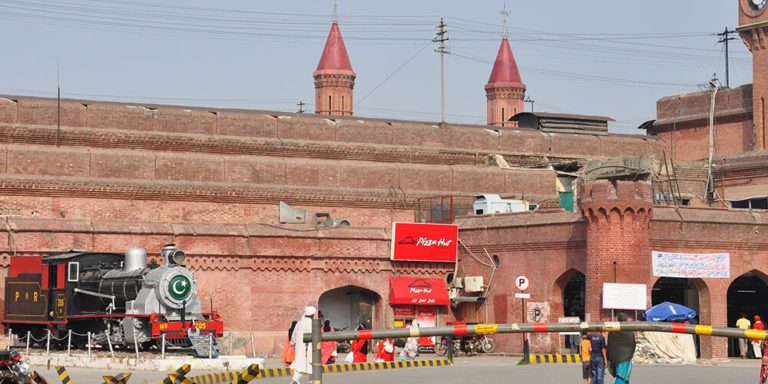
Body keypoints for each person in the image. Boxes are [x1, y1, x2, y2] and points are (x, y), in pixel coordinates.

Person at [607, 313, 637, 384]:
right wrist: (630, 354)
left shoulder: (612, 331)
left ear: (618, 319)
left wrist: (610, 357)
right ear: (626, 319)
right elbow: (633, 344)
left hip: (616, 358)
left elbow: (610, 344)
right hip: (627, 358)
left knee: (622, 377)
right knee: (622, 377)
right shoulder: (629, 331)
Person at [290, 306, 315, 384]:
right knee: (312, 366)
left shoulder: (299, 323)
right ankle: (312, 382)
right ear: (312, 314)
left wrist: (294, 345)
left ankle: (295, 380)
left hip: (299, 348)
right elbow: (315, 336)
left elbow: (293, 336)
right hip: (310, 348)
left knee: (299, 365)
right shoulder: (312, 323)